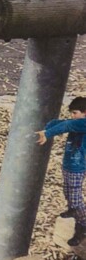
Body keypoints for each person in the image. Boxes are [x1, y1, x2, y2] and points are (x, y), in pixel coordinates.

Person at [36, 97, 86, 247]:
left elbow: (67, 124)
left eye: (75, 113)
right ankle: (72, 210)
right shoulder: (77, 122)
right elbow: (62, 123)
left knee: (75, 197)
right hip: (69, 165)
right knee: (68, 191)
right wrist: (47, 128)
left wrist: (48, 134)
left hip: (78, 166)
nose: (72, 116)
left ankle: (83, 225)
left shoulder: (83, 123)